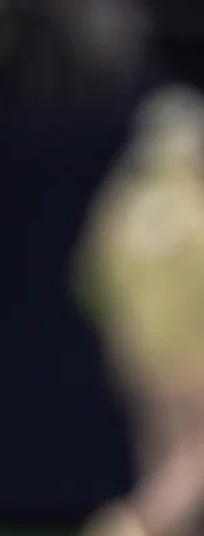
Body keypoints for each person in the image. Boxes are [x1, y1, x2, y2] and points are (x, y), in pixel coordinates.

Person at [75, 84, 204, 536]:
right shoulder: (196, 202)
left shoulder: (121, 202)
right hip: (192, 354)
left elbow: (90, 280)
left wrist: (129, 326)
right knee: (192, 460)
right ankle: (129, 525)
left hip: (136, 357)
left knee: (161, 461)